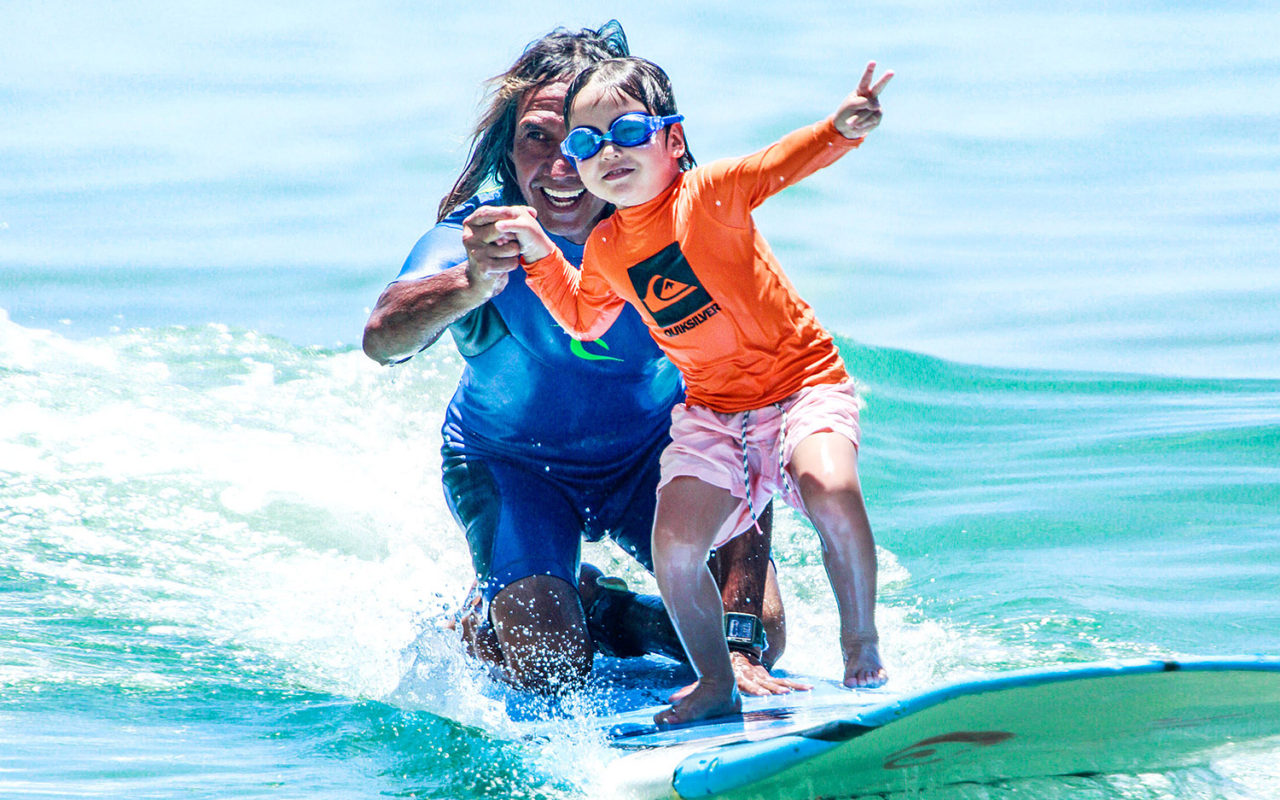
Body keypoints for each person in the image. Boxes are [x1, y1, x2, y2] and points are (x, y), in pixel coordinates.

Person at [362, 23, 804, 697]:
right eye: (539, 135)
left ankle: (608, 614)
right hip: (511, 467)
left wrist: (738, 644)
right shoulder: (477, 240)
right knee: (548, 665)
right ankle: (493, 617)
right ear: (509, 151)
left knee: (760, 633)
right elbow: (383, 338)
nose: (562, 164)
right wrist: (469, 284)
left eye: (585, 136)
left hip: (648, 461)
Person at [484, 55, 893, 724]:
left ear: (673, 140)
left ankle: (861, 643)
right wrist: (539, 253)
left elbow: (781, 162)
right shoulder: (610, 246)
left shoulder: (711, 193)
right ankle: (713, 681)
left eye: (628, 131)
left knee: (832, 488)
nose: (605, 151)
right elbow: (584, 316)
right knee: (674, 546)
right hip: (715, 412)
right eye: (586, 142)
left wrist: (840, 128)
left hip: (800, 384)